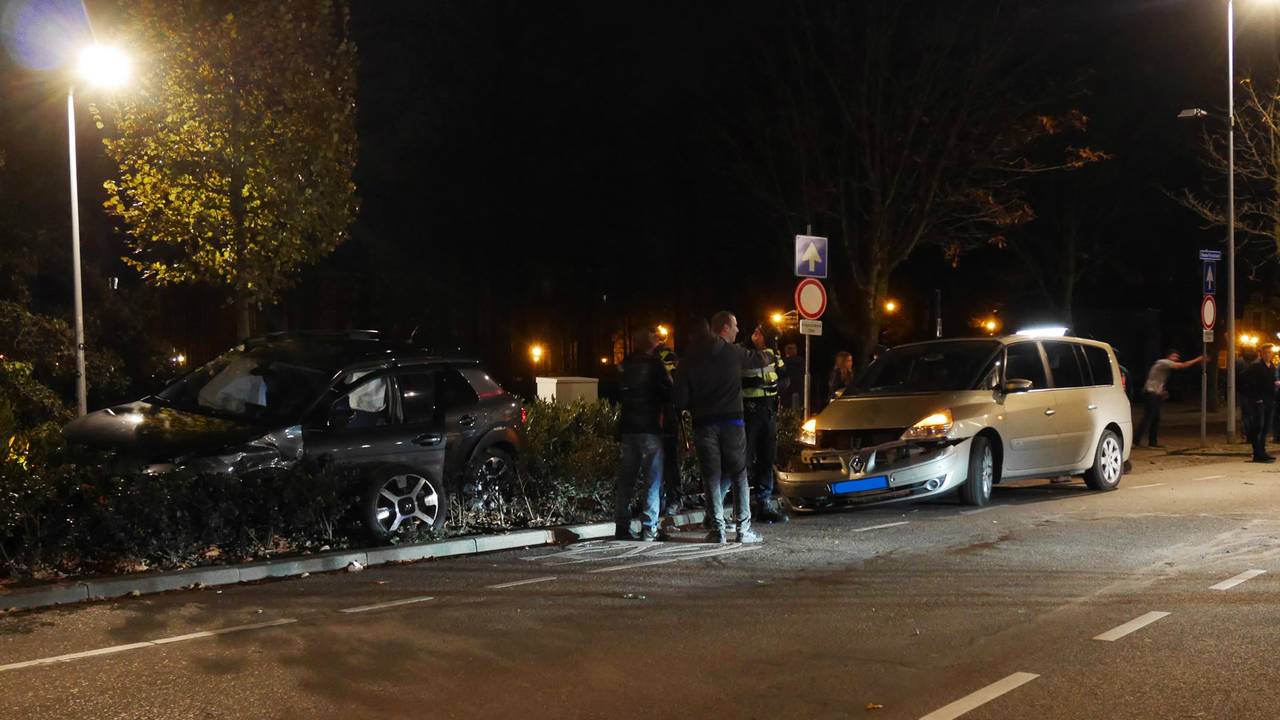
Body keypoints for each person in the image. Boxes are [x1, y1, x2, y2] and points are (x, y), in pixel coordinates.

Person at [673, 310, 767, 544]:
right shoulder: (731, 352)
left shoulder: (688, 359)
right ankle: (743, 530)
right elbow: (760, 360)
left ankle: (718, 530)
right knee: (738, 474)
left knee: (712, 476)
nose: (737, 330)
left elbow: (680, 400)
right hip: (733, 421)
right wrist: (765, 345)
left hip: (704, 423)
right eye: (735, 326)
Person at [613, 327, 673, 540]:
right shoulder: (656, 365)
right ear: (651, 343)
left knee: (626, 480)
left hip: (628, 428)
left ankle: (621, 526)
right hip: (649, 428)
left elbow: (616, 392)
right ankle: (649, 528)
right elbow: (670, 390)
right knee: (652, 479)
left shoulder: (625, 364)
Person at [742, 323, 788, 523]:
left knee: (766, 459)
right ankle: (742, 505)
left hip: (767, 412)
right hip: (748, 412)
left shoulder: (775, 356)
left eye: (759, 332)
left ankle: (764, 503)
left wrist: (777, 384)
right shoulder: (744, 354)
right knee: (742, 461)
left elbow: (785, 379)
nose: (755, 333)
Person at [1133, 349, 1204, 448]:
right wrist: (1198, 359)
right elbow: (1182, 366)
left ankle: (1151, 442)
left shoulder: (1164, 367)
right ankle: (1137, 440)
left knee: (1155, 418)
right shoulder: (1163, 362)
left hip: (1154, 393)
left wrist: (1162, 391)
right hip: (1151, 393)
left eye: (1177, 358)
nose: (1176, 359)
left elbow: (1157, 379)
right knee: (1148, 417)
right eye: (1174, 357)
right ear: (1169, 357)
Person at [655, 338, 683, 515]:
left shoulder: (668, 357)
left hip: (667, 414)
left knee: (670, 460)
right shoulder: (646, 358)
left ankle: (675, 498)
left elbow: (675, 384)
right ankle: (662, 500)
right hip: (655, 415)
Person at [1240, 348, 1276, 463]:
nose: (1268, 355)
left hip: (1270, 400)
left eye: (1270, 353)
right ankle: (1257, 453)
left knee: (1266, 427)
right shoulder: (1256, 366)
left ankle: (1262, 451)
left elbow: (1271, 381)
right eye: (1265, 353)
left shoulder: (1271, 366)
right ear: (1261, 354)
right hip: (1260, 401)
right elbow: (1245, 379)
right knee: (1258, 426)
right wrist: (1256, 397)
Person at [779, 342, 805, 411]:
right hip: (798, 392)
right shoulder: (802, 362)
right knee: (796, 413)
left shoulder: (782, 362)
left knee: (786, 414)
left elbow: (779, 374)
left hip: (786, 392)